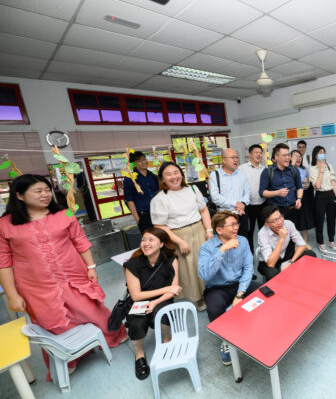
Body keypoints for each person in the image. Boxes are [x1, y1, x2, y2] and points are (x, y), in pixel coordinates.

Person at [0, 174, 127, 375]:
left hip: (72, 275)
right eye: (38, 191)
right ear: (19, 195)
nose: (45, 195)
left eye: (47, 190)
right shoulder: (5, 224)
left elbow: (80, 241)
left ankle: (113, 336)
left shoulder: (64, 214)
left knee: (91, 310)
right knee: (52, 322)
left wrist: (91, 267)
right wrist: (12, 295)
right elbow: (3, 262)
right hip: (35, 285)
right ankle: (69, 358)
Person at [198, 211, 261, 365]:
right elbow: (205, 275)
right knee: (214, 309)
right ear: (219, 230)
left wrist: (240, 294)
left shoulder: (243, 241)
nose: (236, 227)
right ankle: (225, 340)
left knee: (264, 293)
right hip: (217, 287)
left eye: (236, 223)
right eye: (232, 225)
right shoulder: (206, 248)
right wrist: (222, 250)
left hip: (240, 283)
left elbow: (248, 269)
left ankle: (257, 327)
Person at [150, 162, 212, 311]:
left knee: (206, 263)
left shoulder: (192, 189)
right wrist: (179, 242)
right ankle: (198, 298)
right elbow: (159, 226)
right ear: (162, 179)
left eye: (176, 172)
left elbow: (203, 210)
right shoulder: (159, 199)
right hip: (178, 235)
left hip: (199, 230)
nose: (174, 177)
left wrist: (209, 229)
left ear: (181, 174)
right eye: (168, 174)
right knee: (190, 269)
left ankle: (211, 291)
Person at [124, 228, 181, 380]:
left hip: (162, 299)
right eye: (143, 240)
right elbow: (136, 295)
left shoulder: (171, 259)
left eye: (151, 240)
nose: (146, 243)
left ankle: (167, 340)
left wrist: (156, 302)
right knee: (136, 322)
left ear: (161, 244)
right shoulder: (132, 265)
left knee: (164, 312)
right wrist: (166, 289)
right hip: (140, 302)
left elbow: (174, 290)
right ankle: (139, 355)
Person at [257, 205, 316, 281]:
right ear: (267, 224)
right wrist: (281, 239)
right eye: (275, 220)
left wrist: (291, 262)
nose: (280, 222)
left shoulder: (288, 224)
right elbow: (270, 263)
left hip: (286, 256)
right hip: (269, 261)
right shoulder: (262, 234)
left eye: (280, 217)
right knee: (273, 274)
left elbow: (302, 244)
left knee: (310, 254)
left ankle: (301, 280)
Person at [209, 148, 250, 240]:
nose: (236, 160)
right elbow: (215, 197)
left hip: (241, 214)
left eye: (237, 157)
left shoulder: (241, 174)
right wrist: (235, 204)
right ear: (224, 160)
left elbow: (247, 191)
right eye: (232, 157)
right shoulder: (215, 175)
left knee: (243, 240)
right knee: (227, 242)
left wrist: (242, 204)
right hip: (224, 216)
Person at [259, 143, 303, 226]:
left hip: (292, 209)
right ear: (276, 157)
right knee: (278, 233)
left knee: (292, 233)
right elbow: (262, 192)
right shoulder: (267, 171)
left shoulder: (294, 169)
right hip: (275, 211)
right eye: (284, 155)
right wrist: (277, 193)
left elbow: (299, 187)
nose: (287, 158)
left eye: (288, 155)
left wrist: (299, 199)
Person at [309, 146, 336, 252]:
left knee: (331, 220)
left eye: (324, 152)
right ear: (315, 155)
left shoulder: (329, 166)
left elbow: (333, 182)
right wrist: (321, 170)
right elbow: (317, 186)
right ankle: (320, 243)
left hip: (331, 195)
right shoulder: (312, 168)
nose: (322, 154)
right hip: (320, 196)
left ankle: (331, 241)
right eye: (320, 152)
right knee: (319, 221)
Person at [239, 144, 267, 253]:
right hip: (248, 206)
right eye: (256, 152)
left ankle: (265, 254)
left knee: (264, 232)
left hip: (262, 205)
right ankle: (250, 256)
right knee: (248, 232)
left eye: (260, 153)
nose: (259, 154)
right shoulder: (241, 168)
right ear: (250, 154)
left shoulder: (264, 169)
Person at [124, 151, 159, 234]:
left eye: (144, 159)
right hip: (144, 216)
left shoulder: (153, 176)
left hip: (158, 213)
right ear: (133, 164)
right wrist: (138, 220)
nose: (144, 162)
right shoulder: (130, 179)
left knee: (162, 237)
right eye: (139, 161)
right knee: (149, 239)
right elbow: (129, 200)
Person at [291, 149, 314, 248]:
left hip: (303, 197)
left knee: (304, 220)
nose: (298, 158)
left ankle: (304, 242)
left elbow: (307, 181)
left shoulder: (304, 169)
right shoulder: (288, 169)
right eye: (295, 156)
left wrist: (307, 184)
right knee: (294, 221)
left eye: (299, 156)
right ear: (291, 158)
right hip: (292, 196)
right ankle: (295, 244)